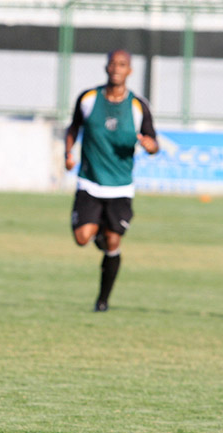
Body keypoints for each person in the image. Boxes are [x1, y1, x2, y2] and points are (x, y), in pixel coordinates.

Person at [65, 49, 159, 312]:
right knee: (83, 237)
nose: (116, 68)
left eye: (122, 64)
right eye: (113, 64)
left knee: (114, 242)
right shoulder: (88, 98)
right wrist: (68, 152)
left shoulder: (138, 106)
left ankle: (103, 300)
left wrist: (150, 145)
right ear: (106, 68)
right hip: (90, 182)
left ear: (129, 71)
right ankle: (98, 236)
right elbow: (73, 127)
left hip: (120, 187)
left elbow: (153, 143)